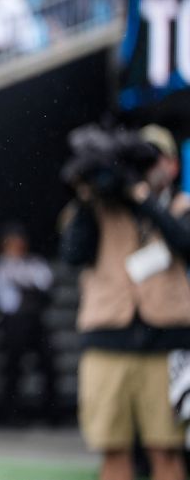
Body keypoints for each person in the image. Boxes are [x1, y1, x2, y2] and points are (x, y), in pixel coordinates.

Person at [60, 124, 190, 480]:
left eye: (150, 159)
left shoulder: (180, 206)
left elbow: (185, 242)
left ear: (171, 166)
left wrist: (143, 197)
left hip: (166, 343)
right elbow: (72, 255)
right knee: (113, 449)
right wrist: (87, 196)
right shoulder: (97, 207)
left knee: (166, 448)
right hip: (107, 340)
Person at [0, 222, 57, 425]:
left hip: (36, 322)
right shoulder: (0, 267)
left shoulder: (35, 263)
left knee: (49, 364)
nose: (17, 246)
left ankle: (51, 414)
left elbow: (45, 284)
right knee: (12, 369)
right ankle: (11, 415)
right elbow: (7, 300)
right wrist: (25, 284)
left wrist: (25, 283)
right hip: (14, 323)